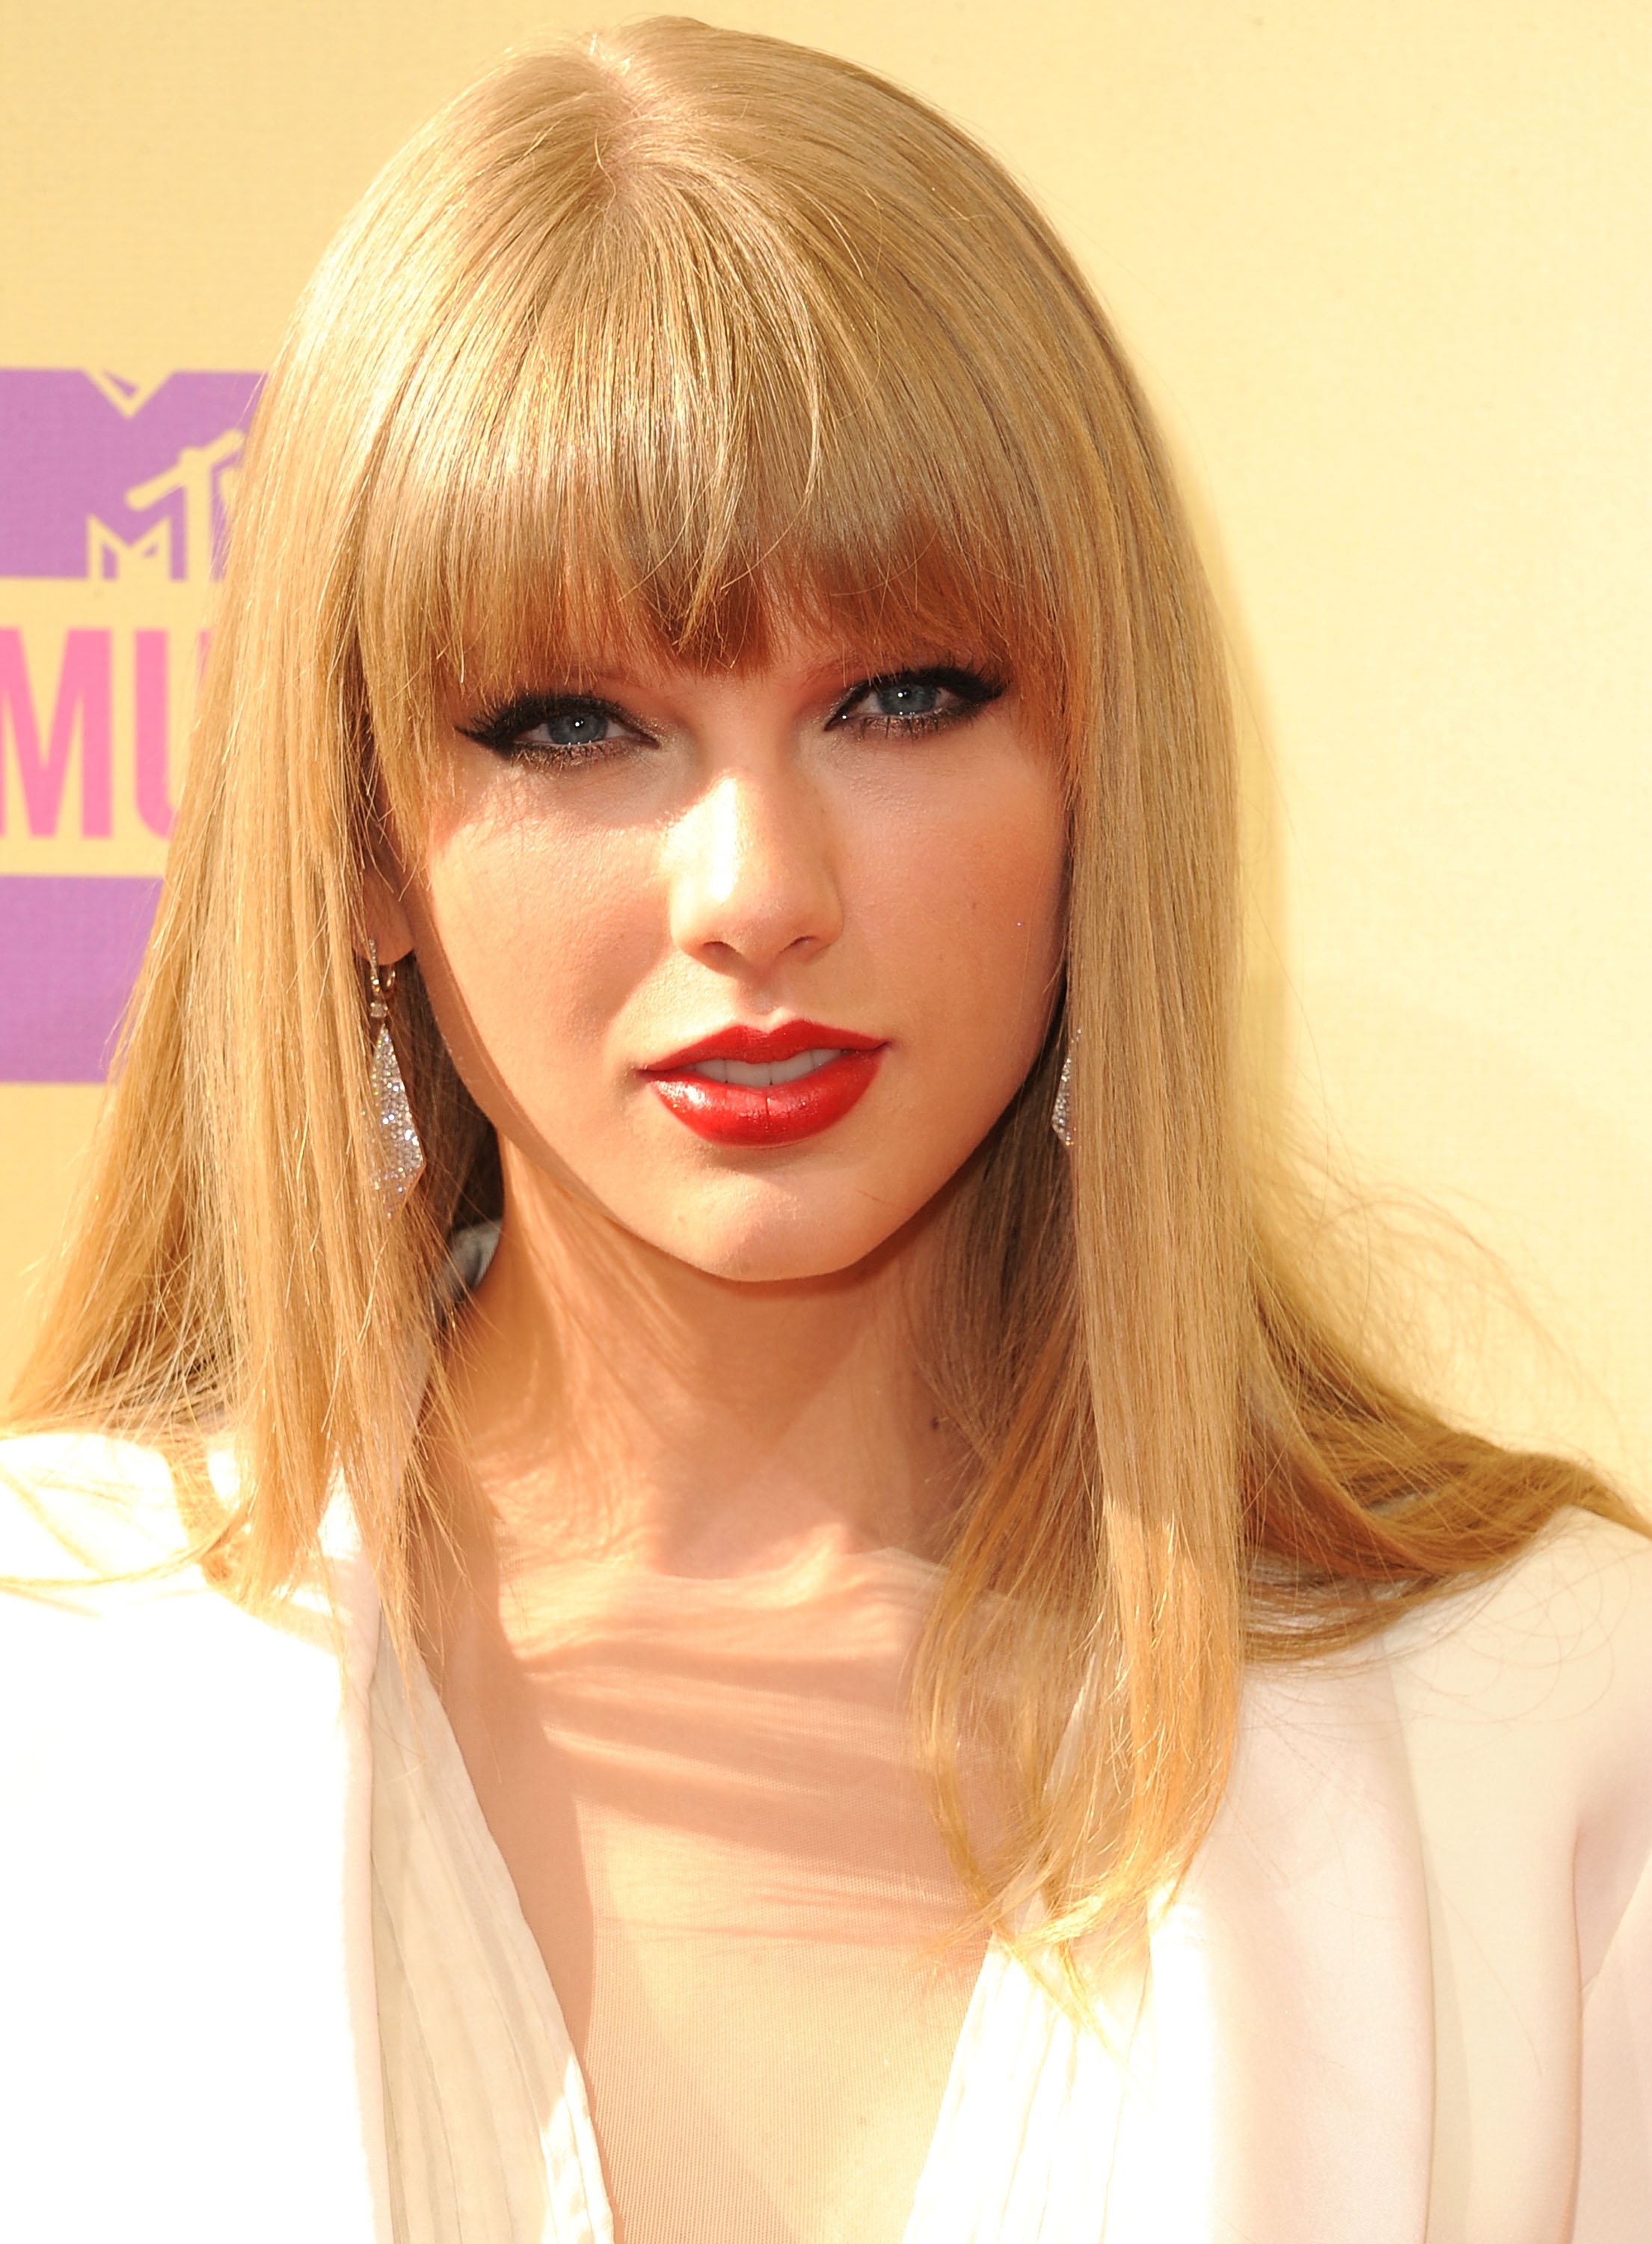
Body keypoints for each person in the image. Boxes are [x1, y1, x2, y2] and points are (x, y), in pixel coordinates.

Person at [1, 18, 1647, 2243]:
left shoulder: (1549, 1737)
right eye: (571, 726)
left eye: (900, 698)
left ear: (1098, 778)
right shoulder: (44, 1688)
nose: (756, 889)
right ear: (363, 839)